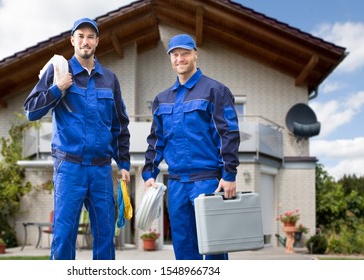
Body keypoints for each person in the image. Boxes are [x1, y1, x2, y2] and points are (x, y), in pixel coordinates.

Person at [24, 18, 131, 260]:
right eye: (80, 36)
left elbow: (119, 125)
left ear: (97, 42)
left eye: (90, 36)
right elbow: (31, 111)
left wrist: (123, 163)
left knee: (105, 235)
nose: (85, 41)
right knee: (64, 235)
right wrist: (57, 89)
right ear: (72, 40)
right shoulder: (59, 70)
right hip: (69, 167)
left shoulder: (110, 79)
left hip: (101, 169)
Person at [142, 34, 240, 260]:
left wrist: (230, 174)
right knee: (184, 250)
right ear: (170, 58)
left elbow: (228, 134)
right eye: (175, 54)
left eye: (185, 53)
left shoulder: (215, 91)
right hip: (176, 185)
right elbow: (156, 140)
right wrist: (150, 173)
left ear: (195, 54)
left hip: (208, 183)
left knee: (214, 249)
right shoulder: (162, 99)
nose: (180, 58)